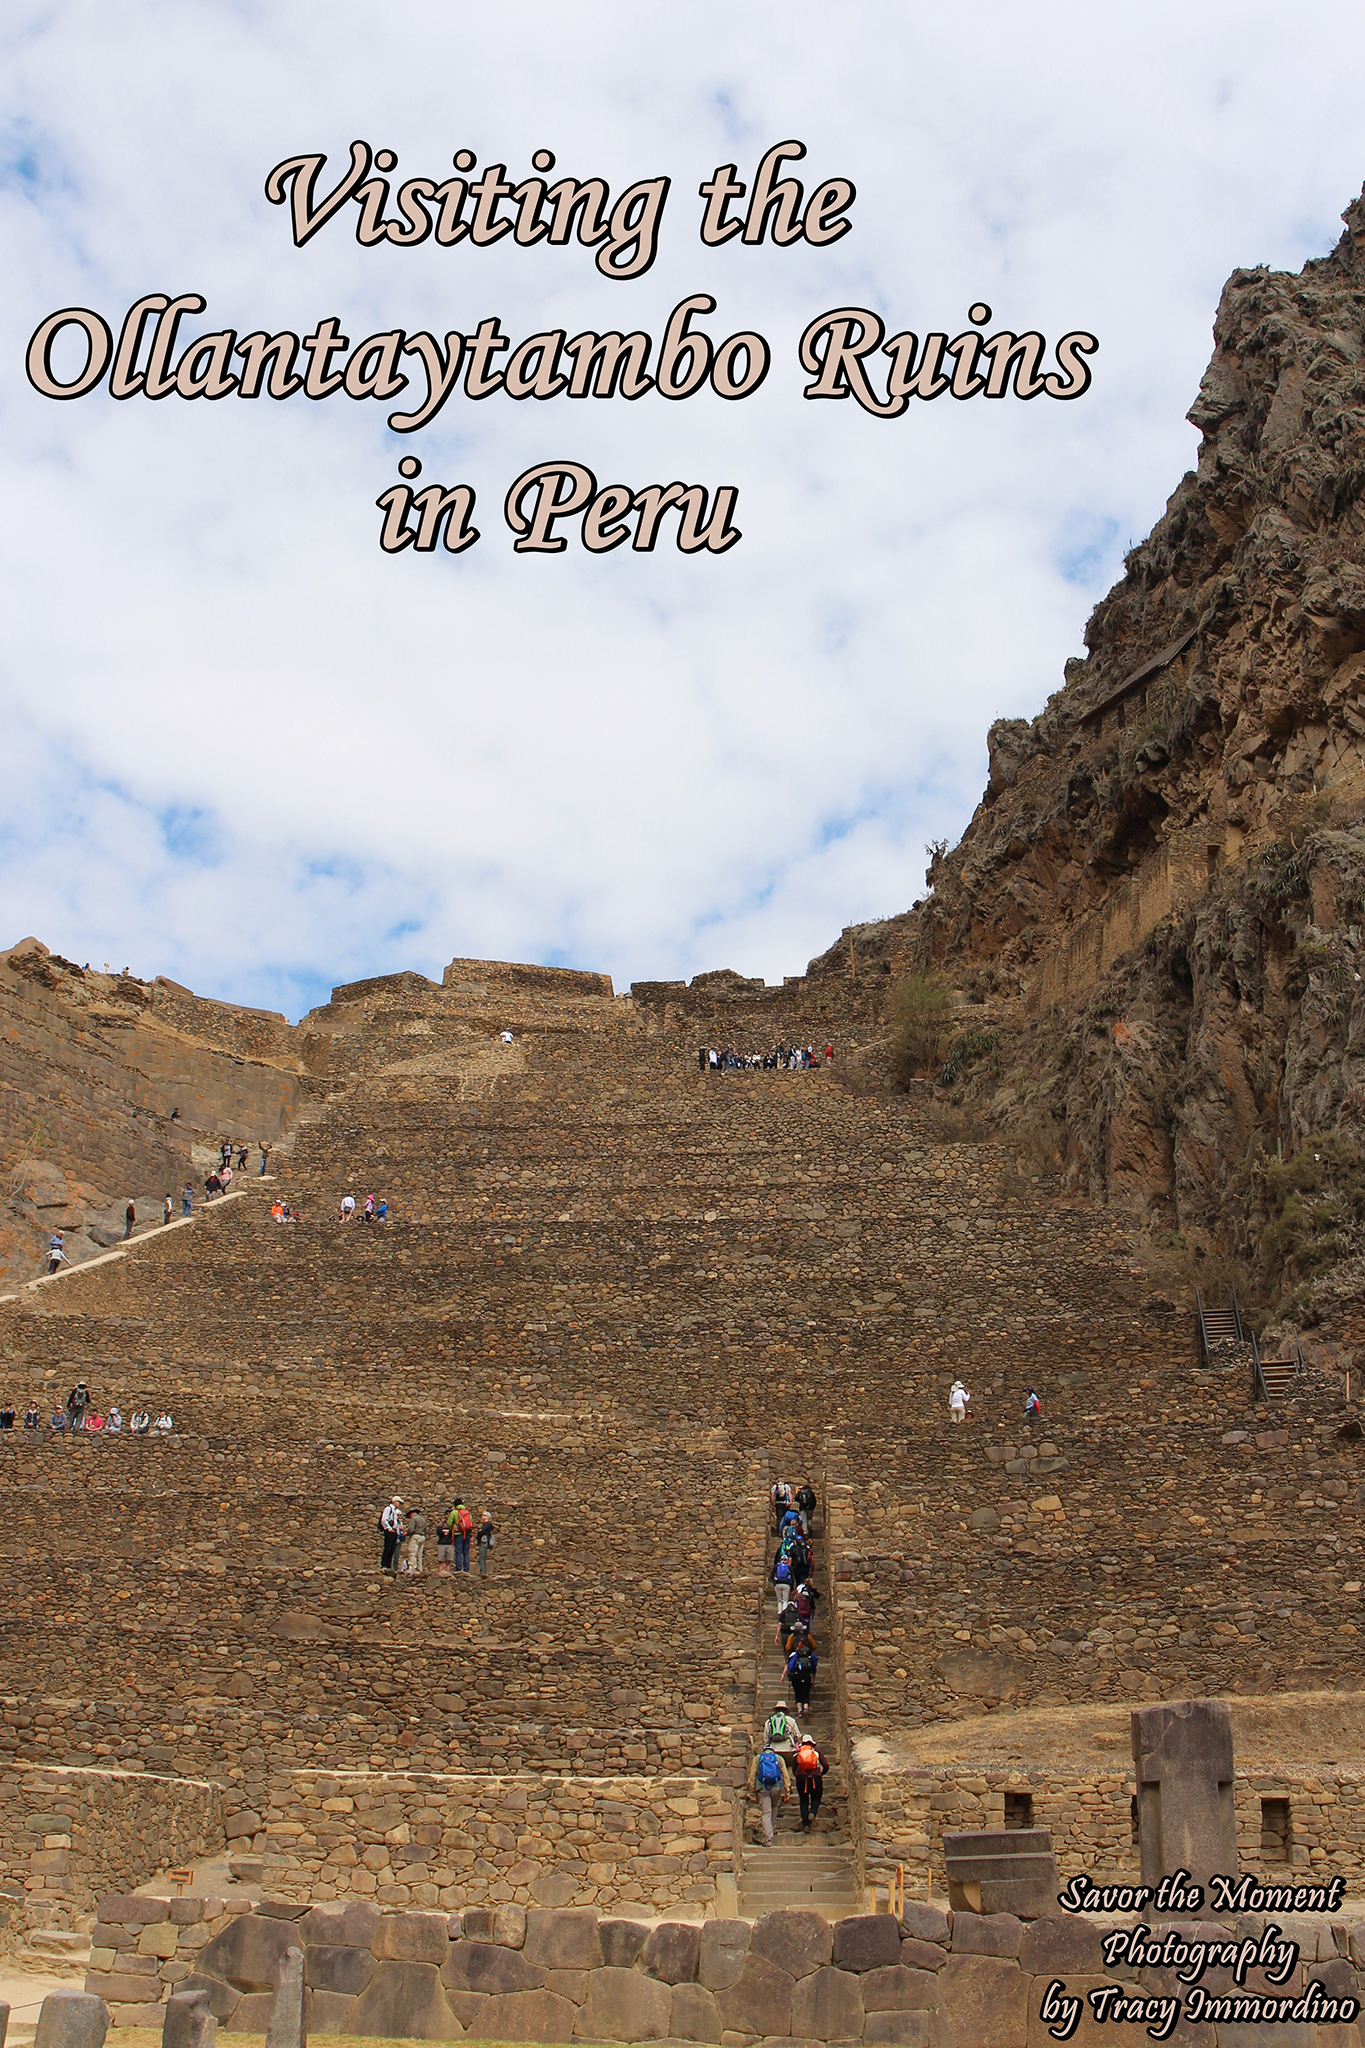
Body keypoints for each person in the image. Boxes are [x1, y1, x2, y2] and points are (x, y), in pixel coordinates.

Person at [748, 1744, 792, 1845]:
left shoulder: (758, 1758)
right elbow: (785, 1775)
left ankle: (768, 1838)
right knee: (775, 1806)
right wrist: (787, 1791)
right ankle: (772, 1828)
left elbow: (752, 1775)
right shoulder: (779, 1758)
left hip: (762, 1788)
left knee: (766, 1813)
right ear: (773, 1750)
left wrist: (753, 1791)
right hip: (776, 1787)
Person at [793, 1737, 828, 1829]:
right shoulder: (816, 1751)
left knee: (803, 1801)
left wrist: (798, 1776)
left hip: (801, 1778)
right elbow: (826, 1766)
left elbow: (794, 1768)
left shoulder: (798, 1752)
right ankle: (812, 1812)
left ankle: (806, 1824)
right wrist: (820, 1774)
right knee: (816, 1798)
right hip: (815, 1777)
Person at [786, 1637, 818, 1710]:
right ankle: (806, 1707)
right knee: (805, 1694)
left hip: (796, 1676)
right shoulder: (810, 1655)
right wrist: (813, 1681)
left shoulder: (795, 1654)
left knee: (798, 1694)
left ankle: (799, 1709)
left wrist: (789, 1676)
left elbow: (790, 1667)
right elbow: (814, 1667)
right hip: (807, 1676)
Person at [380, 1496, 404, 1572]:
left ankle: (388, 1565)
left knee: (391, 1549)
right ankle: (384, 1564)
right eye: (399, 1502)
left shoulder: (394, 1511)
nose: (399, 1504)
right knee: (388, 1548)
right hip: (390, 1531)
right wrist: (389, 1528)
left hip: (394, 1532)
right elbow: (384, 1519)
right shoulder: (388, 1509)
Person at [451, 1498, 473, 1572]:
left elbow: (449, 1523)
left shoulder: (454, 1512)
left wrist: (452, 1528)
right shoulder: (467, 1512)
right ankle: (466, 1569)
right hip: (467, 1534)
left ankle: (458, 1569)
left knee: (458, 1552)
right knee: (466, 1553)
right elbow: (471, 1522)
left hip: (458, 1534)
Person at [405, 1504, 428, 1574]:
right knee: (419, 1554)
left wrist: (406, 1534)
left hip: (415, 1536)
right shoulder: (423, 1520)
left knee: (412, 1553)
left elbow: (411, 1529)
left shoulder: (414, 1519)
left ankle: (412, 1568)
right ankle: (420, 1568)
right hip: (422, 1536)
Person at [476, 1509, 495, 1577]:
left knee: (481, 1557)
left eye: (484, 1515)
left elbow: (482, 1532)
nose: (482, 1517)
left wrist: (480, 1531)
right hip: (483, 1541)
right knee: (482, 1557)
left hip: (484, 1541)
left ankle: (483, 1572)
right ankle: (482, 1571)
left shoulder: (487, 1524)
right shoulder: (485, 1524)